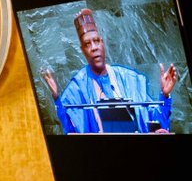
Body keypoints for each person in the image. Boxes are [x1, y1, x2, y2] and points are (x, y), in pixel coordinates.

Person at [44, 8, 178, 134]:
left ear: (103, 43)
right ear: (82, 50)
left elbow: (153, 120)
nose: (94, 47)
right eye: (87, 44)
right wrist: (56, 98)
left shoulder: (129, 78)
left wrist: (164, 96)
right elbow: (70, 129)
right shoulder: (77, 88)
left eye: (96, 41)